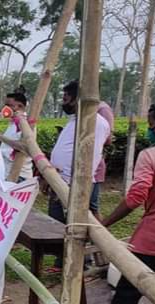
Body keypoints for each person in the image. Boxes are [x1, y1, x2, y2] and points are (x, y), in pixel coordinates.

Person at [97, 105, 155, 304]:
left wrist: (104, 223)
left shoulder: (150, 156)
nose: (150, 129)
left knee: (128, 291)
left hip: (152, 237)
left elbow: (136, 196)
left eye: (151, 124)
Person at [47, 80, 110, 272]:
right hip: (60, 180)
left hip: (73, 183)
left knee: (73, 224)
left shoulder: (95, 123)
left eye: (66, 99)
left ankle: (79, 263)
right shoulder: (76, 119)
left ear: (77, 99)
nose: (64, 103)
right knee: (59, 221)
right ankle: (65, 262)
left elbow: (89, 155)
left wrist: (69, 181)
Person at [0, 91, 33, 182]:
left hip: (18, 175)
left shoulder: (25, 123)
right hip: (9, 172)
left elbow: (22, 147)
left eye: (9, 105)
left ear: (20, 106)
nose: (5, 108)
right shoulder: (13, 122)